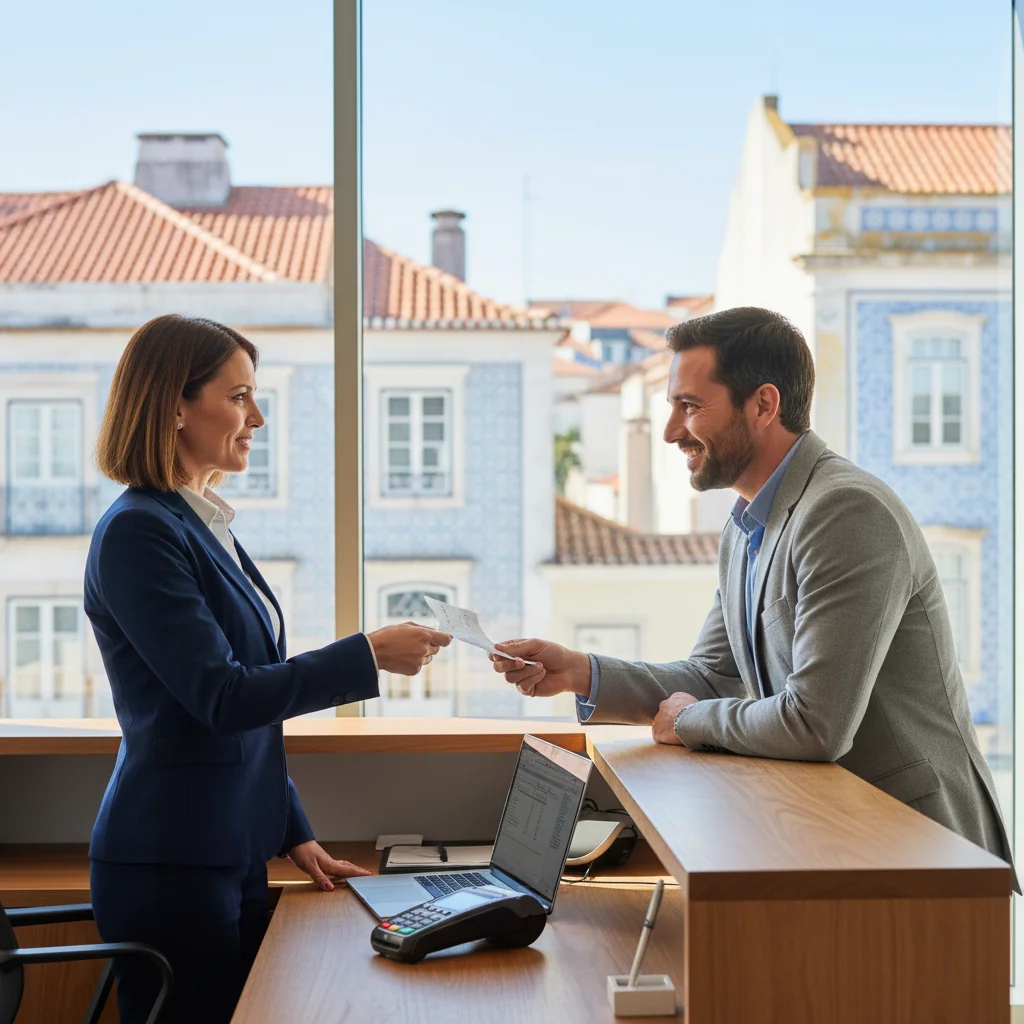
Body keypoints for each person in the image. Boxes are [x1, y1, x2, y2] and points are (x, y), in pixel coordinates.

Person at [492, 306, 1014, 877]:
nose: (671, 431)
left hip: (921, 848)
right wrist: (580, 672)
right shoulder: (745, 528)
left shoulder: (846, 511)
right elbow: (713, 676)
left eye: (689, 407)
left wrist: (692, 722)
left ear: (764, 405)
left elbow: (816, 724)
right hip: (832, 831)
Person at [85, 314, 452, 1024]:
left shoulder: (199, 523)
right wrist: (367, 654)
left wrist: (293, 832)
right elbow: (220, 698)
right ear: (175, 404)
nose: (258, 416)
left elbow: (247, 715)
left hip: (228, 850)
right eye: (239, 395)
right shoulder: (140, 531)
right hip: (172, 862)